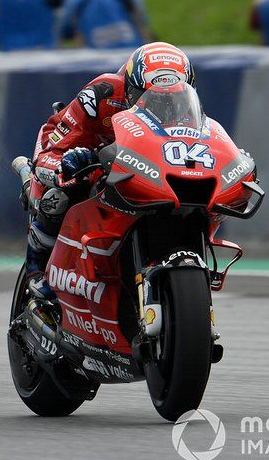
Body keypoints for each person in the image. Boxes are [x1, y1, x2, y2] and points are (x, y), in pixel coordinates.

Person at [24, 42, 196, 298]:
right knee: (62, 189)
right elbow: (55, 148)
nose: (163, 105)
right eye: (149, 96)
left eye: (170, 96)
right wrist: (69, 162)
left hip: (139, 165)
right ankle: (36, 269)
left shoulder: (186, 107)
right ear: (129, 87)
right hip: (71, 148)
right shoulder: (101, 94)